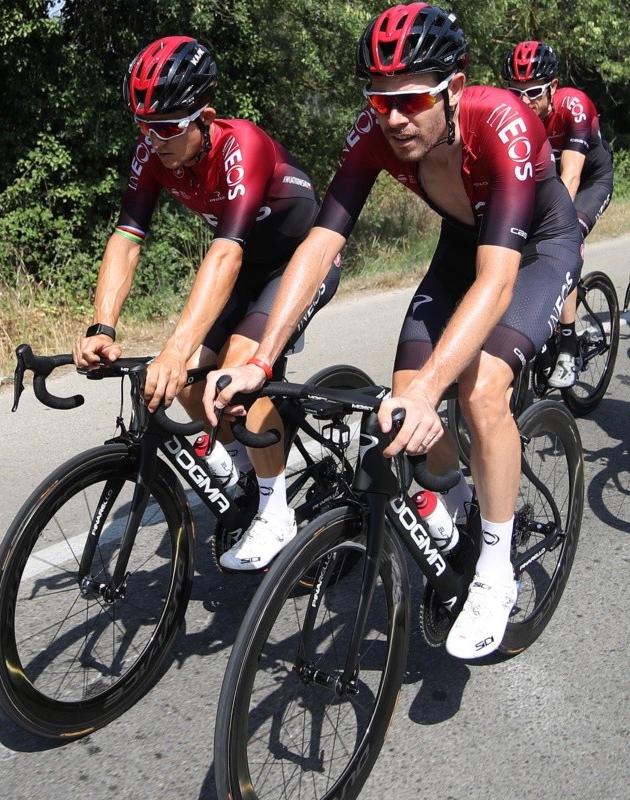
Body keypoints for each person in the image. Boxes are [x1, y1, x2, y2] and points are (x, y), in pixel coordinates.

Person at [202, 3, 584, 659]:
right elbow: (321, 244)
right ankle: (462, 500)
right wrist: (261, 361)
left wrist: (436, 386)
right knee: (400, 398)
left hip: (537, 250)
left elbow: (497, 282)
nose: (394, 119)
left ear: (454, 88)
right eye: (380, 104)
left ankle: (495, 571)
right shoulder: (374, 131)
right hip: (461, 244)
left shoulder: (504, 123)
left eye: (409, 101)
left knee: (479, 390)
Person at [73, 35, 341, 570]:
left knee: (237, 370)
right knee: (196, 385)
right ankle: (246, 464)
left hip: (297, 265)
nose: (155, 140)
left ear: (206, 117)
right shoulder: (154, 153)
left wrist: (172, 348)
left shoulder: (242, 147)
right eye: (144, 126)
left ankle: (275, 508)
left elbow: (225, 254)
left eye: (169, 127)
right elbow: (127, 238)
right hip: (244, 266)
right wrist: (102, 325)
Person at [501, 40, 613, 388]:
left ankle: (567, 342)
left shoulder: (574, 107)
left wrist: (551, 230)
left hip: (590, 180)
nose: (524, 102)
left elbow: (572, 176)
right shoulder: (513, 113)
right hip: (549, 181)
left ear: (552, 87)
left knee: (564, 241)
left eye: (533, 92)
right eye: (514, 92)